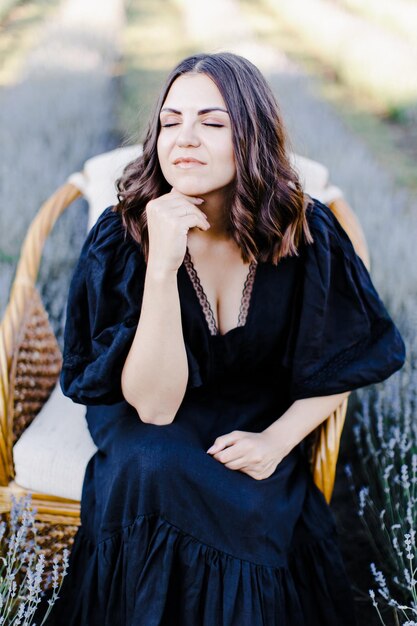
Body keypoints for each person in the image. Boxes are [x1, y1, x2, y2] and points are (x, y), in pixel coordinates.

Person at [45, 52, 406, 626]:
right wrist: (162, 267)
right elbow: (156, 408)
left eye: (212, 122)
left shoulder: (305, 232)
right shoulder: (121, 237)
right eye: (170, 121)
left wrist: (276, 442)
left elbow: (347, 357)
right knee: (153, 467)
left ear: (253, 136)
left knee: (241, 500)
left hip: (254, 416)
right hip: (145, 415)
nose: (184, 138)